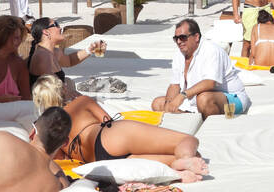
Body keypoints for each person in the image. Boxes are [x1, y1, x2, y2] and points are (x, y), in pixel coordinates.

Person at [32, 76, 208, 181]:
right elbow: (107, 120)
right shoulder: (81, 102)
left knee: (177, 158)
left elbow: (59, 156)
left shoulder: (49, 128)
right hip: (111, 137)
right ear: (63, 89)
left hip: (99, 159)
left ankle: (179, 165)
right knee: (189, 141)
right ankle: (186, 157)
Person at [152, 17, 250, 118]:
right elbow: (174, 85)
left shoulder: (211, 50)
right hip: (195, 99)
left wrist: (182, 96)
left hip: (233, 102)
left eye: (182, 37)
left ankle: (219, 123)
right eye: (176, 38)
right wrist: (168, 104)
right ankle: (193, 116)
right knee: (158, 103)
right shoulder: (179, 54)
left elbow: (210, 83)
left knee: (204, 99)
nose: (179, 42)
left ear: (196, 37)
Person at [26, 17, 105, 90]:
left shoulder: (55, 52)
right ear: (46, 32)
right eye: (56, 25)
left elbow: (70, 60)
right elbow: (54, 86)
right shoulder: (42, 56)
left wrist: (89, 50)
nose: (60, 28)